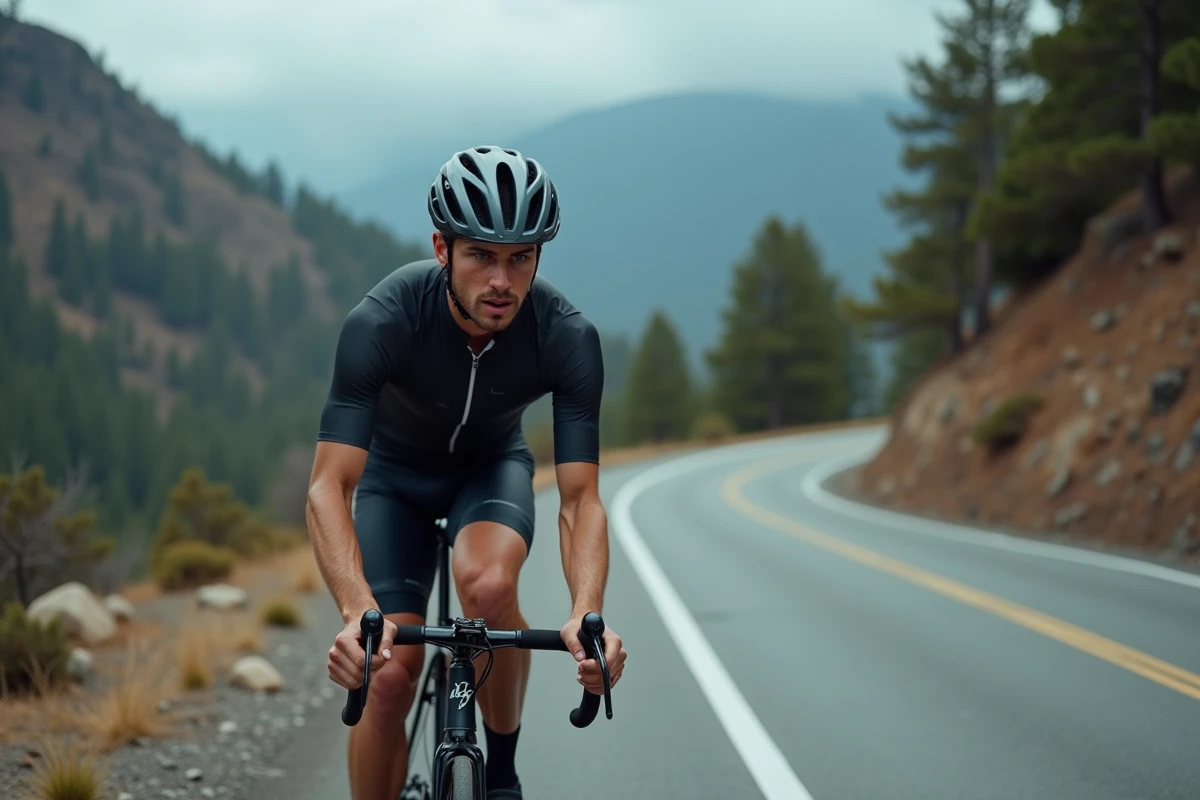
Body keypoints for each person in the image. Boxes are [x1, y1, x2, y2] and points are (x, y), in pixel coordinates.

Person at [306, 145, 627, 800]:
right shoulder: (383, 321)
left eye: (521, 257)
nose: (502, 281)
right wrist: (355, 611)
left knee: (486, 587)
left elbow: (580, 500)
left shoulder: (566, 337)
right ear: (442, 248)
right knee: (389, 673)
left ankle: (501, 773)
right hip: (393, 481)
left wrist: (586, 613)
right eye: (481, 254)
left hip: (490, 469)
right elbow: (328, 485)